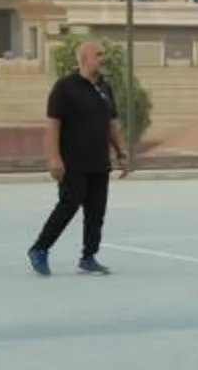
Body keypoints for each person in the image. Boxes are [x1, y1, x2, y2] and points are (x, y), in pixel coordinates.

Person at [30, 40, 129, 275]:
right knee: (68, 205)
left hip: (98, 161)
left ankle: (89, 256)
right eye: (98, 54)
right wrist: (53, 159)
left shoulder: (105, 88)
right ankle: (39, 249)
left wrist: (121, 152)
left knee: (96, 211)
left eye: (103, 54)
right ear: (84, 59)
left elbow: (111, 124)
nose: (103, 58)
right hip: (72, 162)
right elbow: (53, 125)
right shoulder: (65, 87)